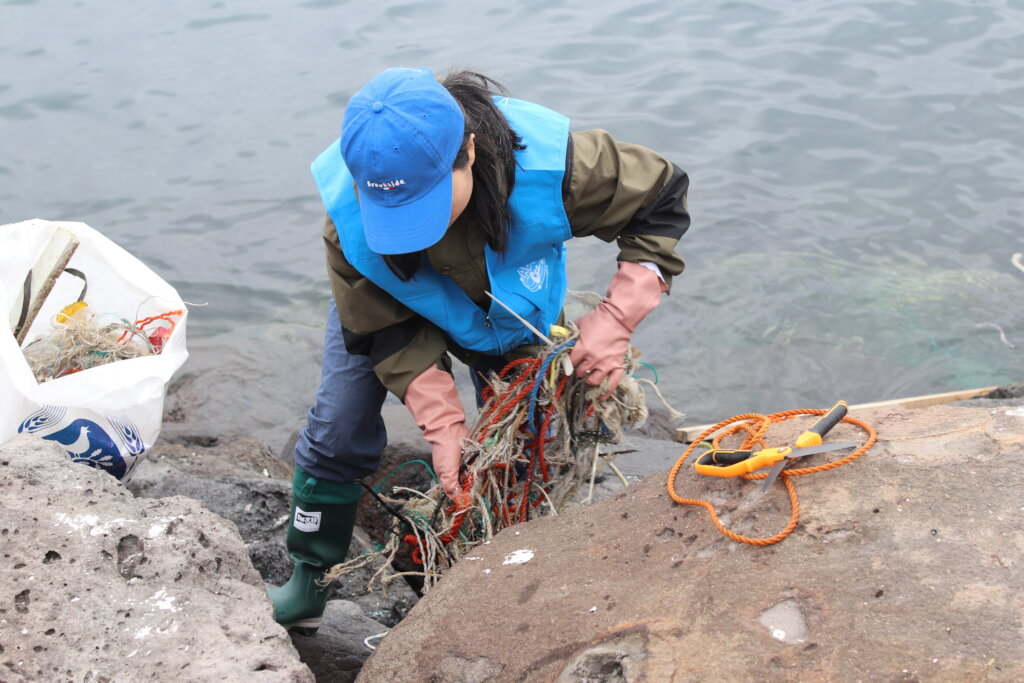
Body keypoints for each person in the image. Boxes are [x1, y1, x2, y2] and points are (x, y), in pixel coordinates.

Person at [268, 67, 690, 633]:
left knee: (517, 451)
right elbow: (385, 330)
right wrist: (442, 425)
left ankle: (498, 582)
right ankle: (307, 580)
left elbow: (659, 197)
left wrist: (615, 319)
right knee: (338, 428)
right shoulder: (349, 218)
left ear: (469, 148)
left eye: (427, 203)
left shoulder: (552, 165)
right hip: (389, 307)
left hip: (510, 308)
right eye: (394, 215)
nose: (414, 231)